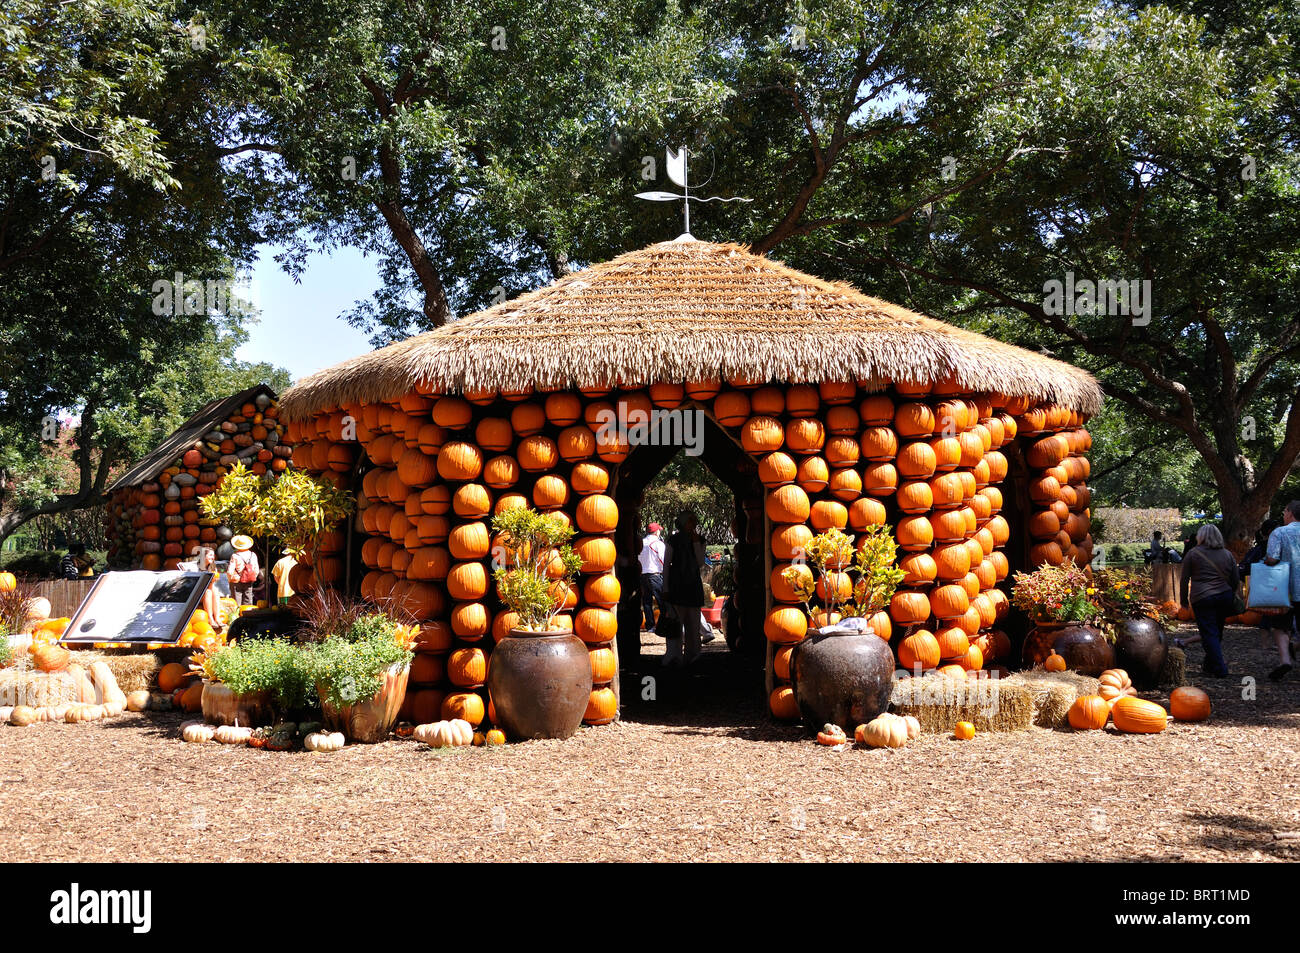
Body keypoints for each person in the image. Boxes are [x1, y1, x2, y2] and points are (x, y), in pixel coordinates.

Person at [1178, 524, 1240, 677]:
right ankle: (1210, 664)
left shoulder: (1193, 554)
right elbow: (1235, 578)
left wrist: (1183, 600)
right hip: (1224, 596)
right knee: (1216, 632)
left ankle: (1220, 668)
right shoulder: (1227, 554)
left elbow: (1184, 579)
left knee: (1209, 632)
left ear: (1201, 537)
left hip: (1202, 597)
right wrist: (1231, 592)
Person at [662, 511, 707, 667]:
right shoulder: (673, 540)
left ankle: (693, 656)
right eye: (689, 521)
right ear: (682, 523)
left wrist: (696, 543)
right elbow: (666, 564)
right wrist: (665, 587)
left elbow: (700, 562)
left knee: (693, 625)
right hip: (677, 585)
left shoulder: (700, 540)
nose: (692, 524)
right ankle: (674, 656)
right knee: (675, 623)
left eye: (694, 521)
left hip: (693, 586)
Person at [1262, 500, 1300, 680]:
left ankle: (1285, 660)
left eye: (1284, 511)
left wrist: (1265, 561)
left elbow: (1272, 559)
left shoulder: (1279, 532)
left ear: (1290, 513)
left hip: (1284, 589)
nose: (1283, 515)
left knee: (1280, 626)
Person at [638, 522, 666, 631]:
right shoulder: (658, 543)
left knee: (646, 602)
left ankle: (650, 626)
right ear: (657, 531)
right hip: (655, 575)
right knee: (662, 602)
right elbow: (663, 560)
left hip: (642, 575)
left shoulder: (641, 542)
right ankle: (663, 625)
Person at [227, 535, 260, 607]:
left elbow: (230, 571)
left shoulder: (235, 556)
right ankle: (247, 615)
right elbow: (256, 570)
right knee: (248, 601)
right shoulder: (253, 555)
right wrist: (251, 577)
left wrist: (230, 580)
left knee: (236, 602)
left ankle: (237, 616)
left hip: (236, 580)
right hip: (249, 580)